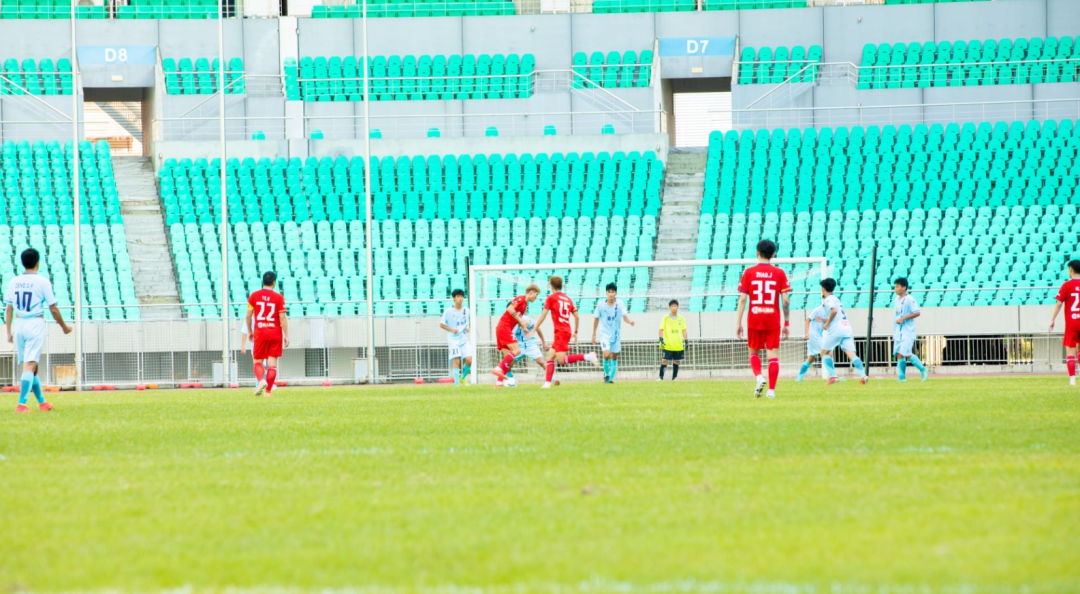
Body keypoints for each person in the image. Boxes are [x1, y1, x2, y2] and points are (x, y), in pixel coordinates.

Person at [4, 248, 73, 413]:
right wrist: (64, 327)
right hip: (35, 323)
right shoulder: (42, 282)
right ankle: (21, 404)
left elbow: (9, 309)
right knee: (30, 365)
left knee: (32, 367)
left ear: (22, 263)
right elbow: (53, 309)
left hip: (19, 324)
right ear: (38, 262)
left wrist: (8, 331)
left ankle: (42, 402)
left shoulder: (14, 281)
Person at [735, 239, 791, 398]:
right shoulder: (779, 273)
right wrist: (786, 323)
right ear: (773, 254)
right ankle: (771, 391)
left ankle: (759, 377)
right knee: (772, 355)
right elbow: (785, 300)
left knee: (753, 352)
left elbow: (743, 299)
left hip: (755, 318)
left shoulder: (749, 272)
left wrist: (738, 322)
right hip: (772, 319)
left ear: (757, 252)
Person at [533, 276, 600, 389]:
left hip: (560, 331)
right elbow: (577, 317)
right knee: (549, 357)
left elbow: (543, 315)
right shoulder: (568, 299)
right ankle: (547, 383)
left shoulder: (551, 298)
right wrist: (576, 332)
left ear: (551, 286)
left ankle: (588, 356)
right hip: (566, 330)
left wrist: (534, 329)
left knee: (561, 360)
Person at [246, 271, 289, 397]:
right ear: (274, 283)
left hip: (260, 332)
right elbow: (282, 317)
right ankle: (268, 392)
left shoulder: (254, 296)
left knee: (257, 361)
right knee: (272, 364)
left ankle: (261, 380)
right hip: (275, 333)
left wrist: (250, 331)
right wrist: (286, 335)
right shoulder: (279, 297)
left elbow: (248, 316)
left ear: (263, 282)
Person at [819, 278, 868, 386]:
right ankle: (863, 375)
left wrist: (827, 323)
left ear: (823, 288)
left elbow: (834, 311)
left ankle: (833, 376)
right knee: (851, 354)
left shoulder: (828, 299)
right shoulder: (836, 299)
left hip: (836, 329)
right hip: (846, 327)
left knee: (823, 352)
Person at [491, 285, 541, 383]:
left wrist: (524, 327)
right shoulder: (520, 299)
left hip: (502, 328)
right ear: (531, 292)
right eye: (536, 294)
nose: (536, 297)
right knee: (517, 350)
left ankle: (499, 382)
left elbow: (516, 318)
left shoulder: (525, 305)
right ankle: (498, 368)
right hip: (504, 327)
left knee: (509, 360)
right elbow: (510, 308)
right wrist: (521, 322)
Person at [591, 282, 635, 384]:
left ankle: (610, 379)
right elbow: (596, 319)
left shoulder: (620, 304)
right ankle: (606, 375)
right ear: (606, 293)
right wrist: (593, 333)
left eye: (613, 292)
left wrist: (630, 321)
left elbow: (624, 316)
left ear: (615, 293)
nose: (611, 294)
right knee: (606, 354)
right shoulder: (601, 305)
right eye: (609, 292)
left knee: (614, 356)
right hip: (604, 334)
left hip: (616, 335)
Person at [1049, 260, 1080, 386]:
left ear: (1071, 270)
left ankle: (1072, 379)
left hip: (1072, 323)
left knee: (1070, 351)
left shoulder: (1067, 285)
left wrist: (1052, 319)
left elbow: (1059, 304)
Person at [893, 277, 928, 382]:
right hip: (898, 331)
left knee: (906, 352)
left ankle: (922, 369)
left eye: (898, 286)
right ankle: (902, 378)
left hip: (908, 332)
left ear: (904, 287)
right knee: (899, 354)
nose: (896, 288)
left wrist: (903, 318)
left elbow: (917, 312)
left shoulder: (909, 299)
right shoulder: (896, 299)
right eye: (895, 286)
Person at [439, 289, 474, 386]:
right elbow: (441, 325)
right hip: (453, 340)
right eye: (458, 296)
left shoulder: (467, 310)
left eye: (461, 296)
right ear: (454, 298)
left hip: (464, 338)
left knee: (469, 359)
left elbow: (467, 323)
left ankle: (462, 378)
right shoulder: (449, 311)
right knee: (457, 360)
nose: (460, 298)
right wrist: (451, 329)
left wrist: (467, 328)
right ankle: (457, 385)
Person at [512, 315, 556, 385]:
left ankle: (553, 380)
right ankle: (508, 380)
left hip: (530, 344)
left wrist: (544, 342)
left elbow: (537, 329)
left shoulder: (526, 319)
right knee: (508, 363)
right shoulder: (509, 322)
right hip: (518, 346)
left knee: (541, 362)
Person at [796, 301, 828, 381]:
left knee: (811, 358)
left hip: (816, 336)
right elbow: (807, 320)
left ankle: (799, 378)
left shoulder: (828, 311)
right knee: (827, 352)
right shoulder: (818, 310)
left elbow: (826, 323)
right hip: (814, 335)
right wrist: (806, 333)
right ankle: (834, 376)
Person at [658, 299, 687, 381]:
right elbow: (661, 329)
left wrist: (686, 341)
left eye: (675, 306)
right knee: (664, 361)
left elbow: (684, 330)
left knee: (676, 361)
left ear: (677, 307)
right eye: (672, 306)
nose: (673, 308)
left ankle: (674, 378)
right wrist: (660, 339)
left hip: (678, 345)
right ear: (669, 307)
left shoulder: (681, 319)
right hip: (668, 344)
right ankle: (660, 377)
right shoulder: (665, 318)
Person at [240, 313, 262, 388]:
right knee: (257, 364)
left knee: (264, 364)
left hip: (264, 343)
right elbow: (245, 332)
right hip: (255, 345)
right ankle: (259, 383)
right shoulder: (249, 318)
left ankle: (264, 382)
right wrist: (243, 345)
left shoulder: (262, 316)